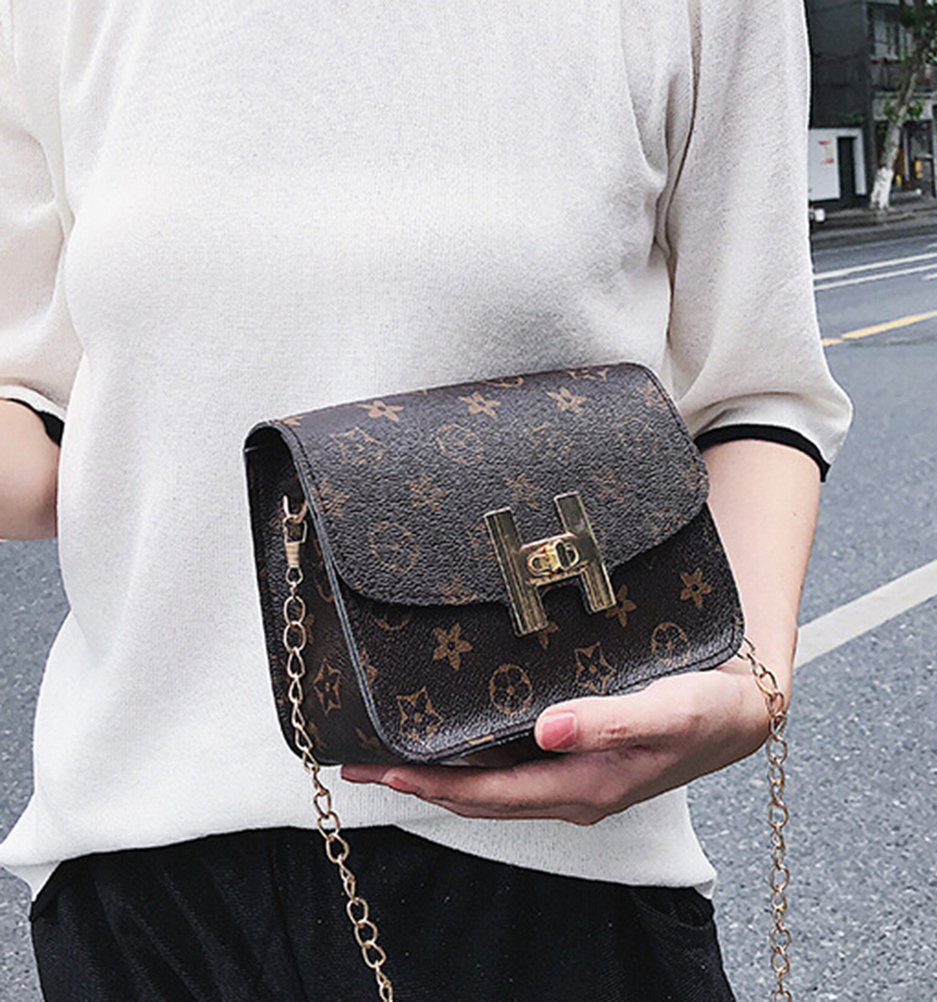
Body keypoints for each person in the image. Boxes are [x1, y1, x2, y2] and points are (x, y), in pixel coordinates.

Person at [0, 1, 852, 999]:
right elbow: (40, 435)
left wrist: (748, 686)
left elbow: (757, 389)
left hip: (541, 862)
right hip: (142, 885)